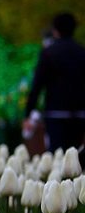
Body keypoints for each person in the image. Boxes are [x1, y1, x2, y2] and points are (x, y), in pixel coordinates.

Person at [23, 13, 85, 152]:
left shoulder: (48, 53)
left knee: (57, 154)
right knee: (75, 154)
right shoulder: (82, 52)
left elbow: (37, 85)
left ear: (55, 29)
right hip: (79, 112)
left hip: (55, 112)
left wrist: (28, 114)